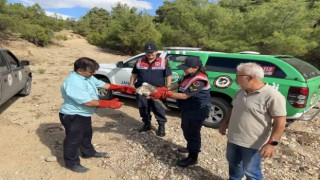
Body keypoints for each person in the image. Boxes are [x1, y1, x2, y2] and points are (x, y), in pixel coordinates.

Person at [59, 57, 135, 173]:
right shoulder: (73, 82)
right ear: (80, 70)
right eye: (91, 71)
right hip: (73, 115)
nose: (94, 73)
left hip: (84, 114)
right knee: (73, 140)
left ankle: (88, 152)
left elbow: (104, 85)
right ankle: (72, 163)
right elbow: (88, 102)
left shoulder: (87, 76)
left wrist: (121, 88)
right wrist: (109, 104)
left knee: (86, 134)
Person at [219, 62, 286, 179]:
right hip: (233, 139)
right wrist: (224, 123)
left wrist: (271, 144)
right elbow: (233, 108)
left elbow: (280, 122)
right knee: (234, 166)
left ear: (250, 77)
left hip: (253, 144)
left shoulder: (272, 96)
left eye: (238, 76)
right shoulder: (241, 92)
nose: (235, 79)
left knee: (251, 172)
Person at [150, 56, 211, 167]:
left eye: (186, 67)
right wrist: (165, 88)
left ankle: (193, 158)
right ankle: (190, 147)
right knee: (186, 129)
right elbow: (178, 84)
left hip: (197, 110)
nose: (184, 69)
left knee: (192, 133)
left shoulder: (199, 80)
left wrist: (166, 94)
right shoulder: (188, 74)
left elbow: (184, 95)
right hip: (187, 109)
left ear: (195, 68)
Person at [129, 42, 172, 137]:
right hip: (142, 88)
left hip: (157, 89)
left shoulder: (163, 61)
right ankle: (147, 124)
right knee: (143, 107)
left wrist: (168, 88)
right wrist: (131, 84)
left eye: (152, 52)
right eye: (148, 52)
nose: (150, 54)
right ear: (145, 52)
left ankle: (161, 126)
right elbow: (134, 74)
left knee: (158, 108)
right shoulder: (139, 61)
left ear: (156, 52)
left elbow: (168, 75)